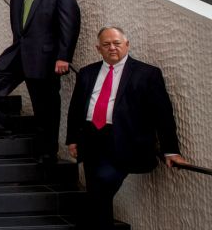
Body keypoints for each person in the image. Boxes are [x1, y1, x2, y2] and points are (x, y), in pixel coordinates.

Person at [66, 27, 187, 230]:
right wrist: (72, 138)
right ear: (98, 48)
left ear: (127, 45)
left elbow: (163, 115)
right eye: (106, 44)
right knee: (97, 192)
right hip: (91, 139)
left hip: (125, 142)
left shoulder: (147, 73)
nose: (112, 47)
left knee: (101, 187)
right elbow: (76, 108)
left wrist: (171, 150)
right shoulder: (87, 73)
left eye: (117, 43)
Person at [0, 0, 81, 165]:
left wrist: (64, 57)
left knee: (46, 107)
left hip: (46, 59)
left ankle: (48, 151)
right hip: (20, 53)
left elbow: (69, 26)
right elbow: (19, 29)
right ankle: (1, 127)